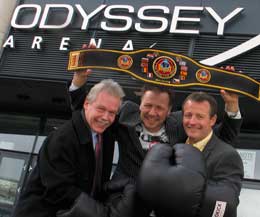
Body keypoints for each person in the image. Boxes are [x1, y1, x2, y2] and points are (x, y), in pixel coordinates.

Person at [70, 64, 242, 181]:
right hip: (123, 199)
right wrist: (79, 80)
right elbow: (85, 113)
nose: (152, 113)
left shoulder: (180, 123)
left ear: (169, 111)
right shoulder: (126, 114)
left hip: (163, 202)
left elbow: (224, 136)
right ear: (140, 105)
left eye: (159, 108)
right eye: (148, 106)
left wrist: (232, 104)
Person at [11, 79, 133, 217]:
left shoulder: (106, 135)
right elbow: (59, 190)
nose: (106, 117)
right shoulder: (62, 139)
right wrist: (101, 213)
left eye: (112, 113)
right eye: (101, 109)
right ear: (86, 104)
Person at [137, 92, 244, 217]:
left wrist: (185, 189)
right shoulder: (173, 142)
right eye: (188, 115)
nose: (192, 122)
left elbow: (225, 206)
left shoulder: (227, 156)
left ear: (212, 120)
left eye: (199, 116)